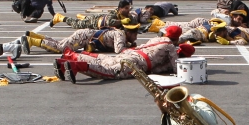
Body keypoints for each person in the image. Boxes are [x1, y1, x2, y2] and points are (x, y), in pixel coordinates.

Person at [54, 30, 189, 82]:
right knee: (110, 72)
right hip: (137, 62)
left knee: (103, 59)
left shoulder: (156, 39)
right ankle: (77, 66)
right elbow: (176, 68)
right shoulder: (170, 47)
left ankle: (70, 57)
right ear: (177, 39)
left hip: (130, 52)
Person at [22, 19, 140, 54]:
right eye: (135, 35)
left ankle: (34, 35)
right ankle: (32, 41)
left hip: (86, 35)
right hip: (85, 37)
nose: (135, 38)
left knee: (60, 43)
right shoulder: (120, 34)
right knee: (61, 48)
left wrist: (129, 45)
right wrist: (131, 49)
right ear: (129, 33)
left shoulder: (121, 34)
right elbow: (119, 50)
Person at [52, 0, 132, 29]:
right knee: (76, 24)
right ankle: (59, 17)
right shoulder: (113, 14)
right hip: (94, 23)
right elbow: (109, 22)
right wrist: (122, 21)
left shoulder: (126, 15)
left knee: (86, 19)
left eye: (129, 8)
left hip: (98, 18)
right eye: (126, 8)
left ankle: (83, 17)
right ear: (120, 9)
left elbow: (134, 22)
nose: (128, 10)